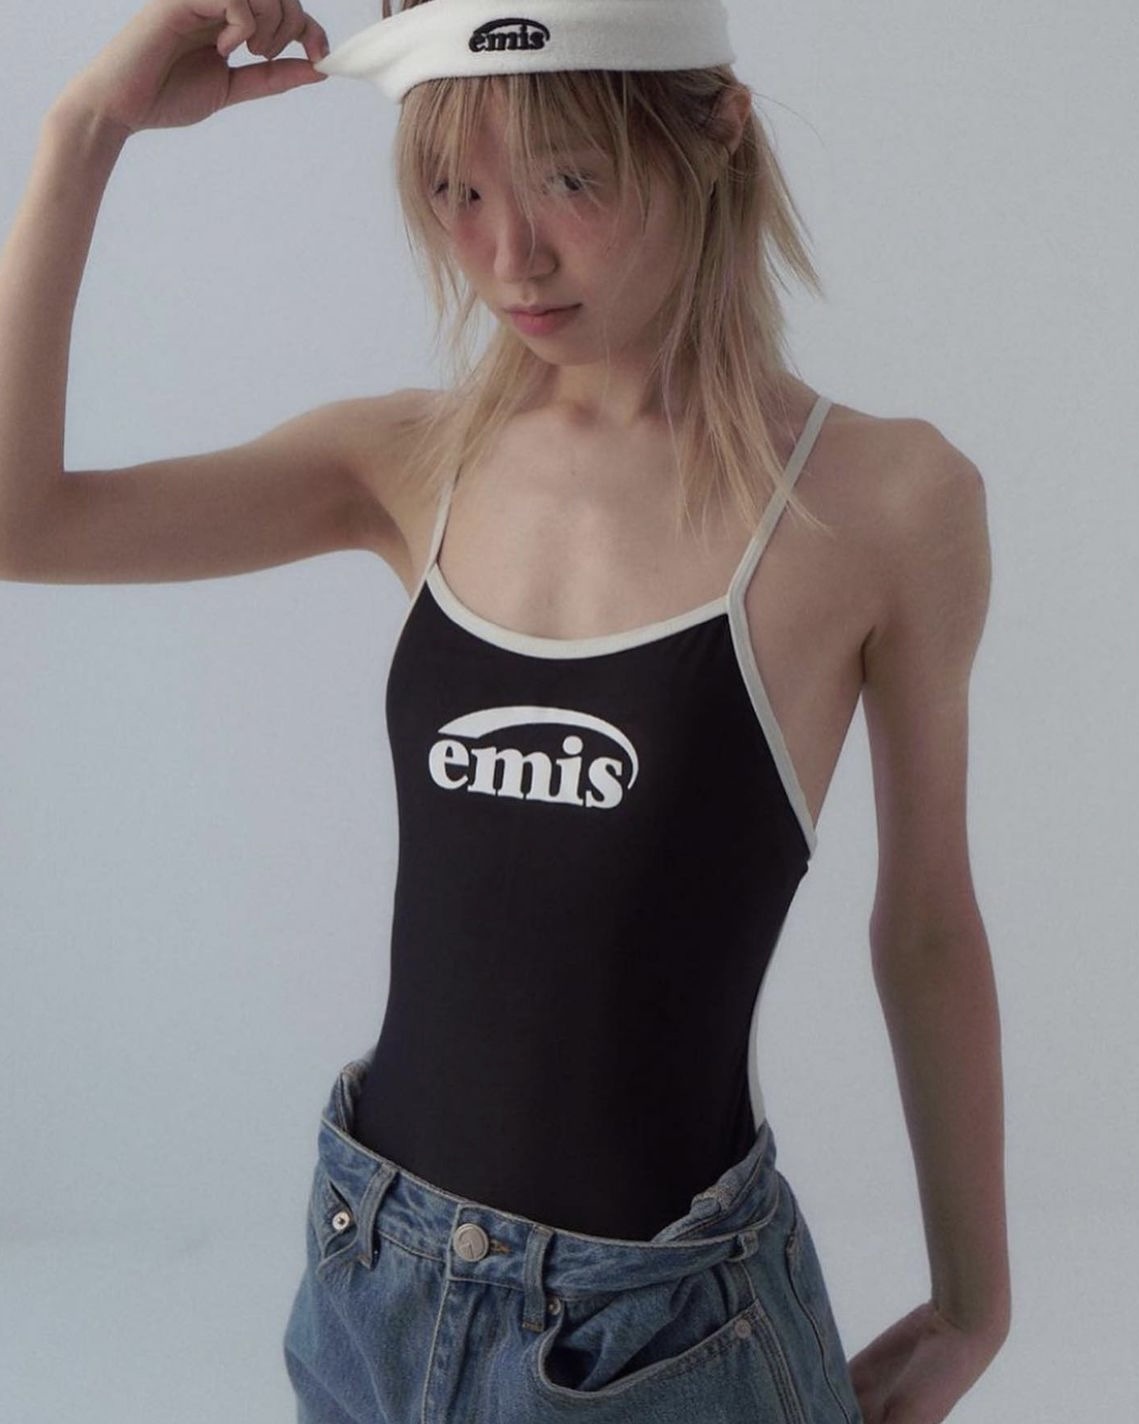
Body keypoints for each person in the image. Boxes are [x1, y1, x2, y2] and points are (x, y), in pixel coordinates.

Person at [0, 1, 1010, 1420]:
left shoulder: (887, 503)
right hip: (370, 1278)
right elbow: (22, 521)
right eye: (456, 191)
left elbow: (927, 924)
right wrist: (83, 131)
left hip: (658, 1335)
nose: (509, 255)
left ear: (717, 132)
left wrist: (973, 1306)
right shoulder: (410, 461)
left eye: (568, 180)